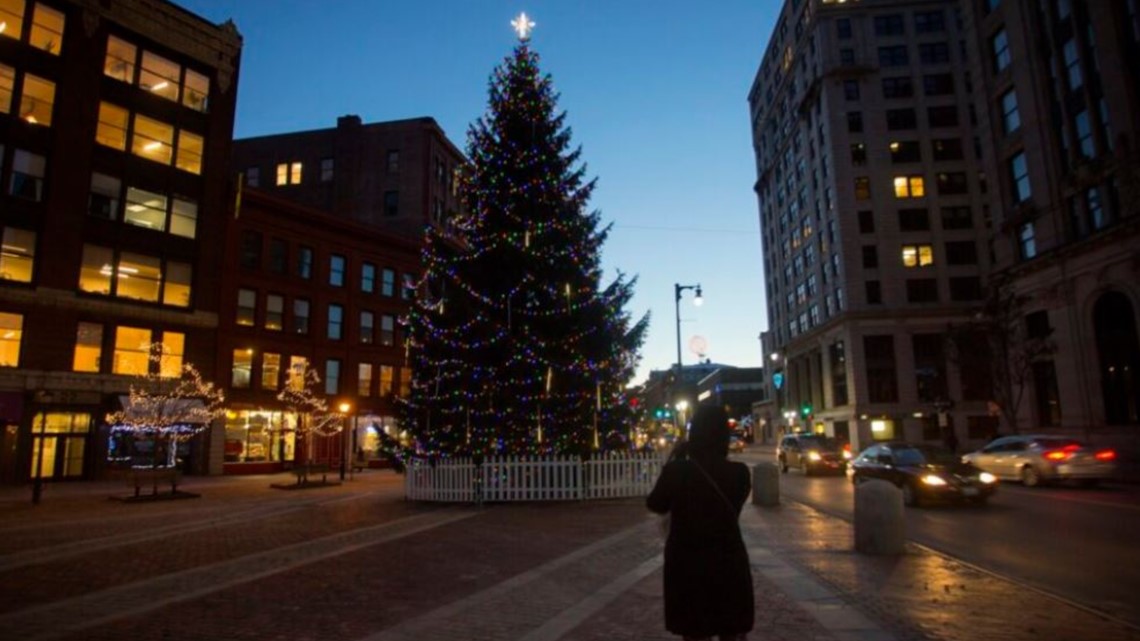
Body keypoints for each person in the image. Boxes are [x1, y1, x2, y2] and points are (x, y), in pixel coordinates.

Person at [646, 405, 754, 641]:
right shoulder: (740, 473)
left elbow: (656, 503)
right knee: (731, 628)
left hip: (688, 562)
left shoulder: (678, 471)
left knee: (695, 630)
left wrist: (676, 458)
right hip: (728, 559)